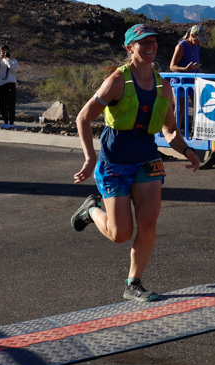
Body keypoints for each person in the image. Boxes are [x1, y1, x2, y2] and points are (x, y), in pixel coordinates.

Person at [71, 23, 201, 302]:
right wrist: (90, 157)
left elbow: (169, 130)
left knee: (148, 222)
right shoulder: (117, 81)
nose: (150, 46)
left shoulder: (163, 86)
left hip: (146, 159)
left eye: (153, 41)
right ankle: (92, 209)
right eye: (143, 42)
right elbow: (83, 117)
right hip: (115, 162)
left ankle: (133, 283)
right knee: (120, 234)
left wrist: (187, 150)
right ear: (130, 48)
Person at [0, 44, 19, 128]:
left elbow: (12, 69)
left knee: (10, 104)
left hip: (9, 84)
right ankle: (5, 121)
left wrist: (7, 59)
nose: (4, 53)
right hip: (0, 85)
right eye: (2, 52)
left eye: (5, 52)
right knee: (2, 105)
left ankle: (11, 123)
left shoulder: (13, 61)